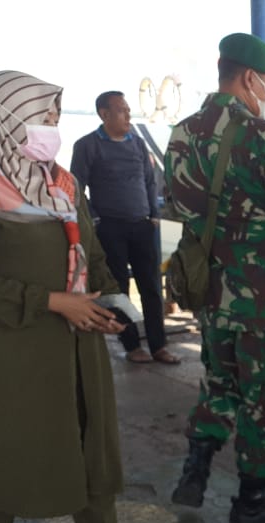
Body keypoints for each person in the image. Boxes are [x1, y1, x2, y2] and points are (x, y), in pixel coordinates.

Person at [0, 71, 159, 523]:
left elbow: (93, 253)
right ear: (7, 123)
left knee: (91, 442)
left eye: (56, 119)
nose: (53, 129)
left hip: (80, 343)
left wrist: (110, 303)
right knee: (8, 444)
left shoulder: (61, 185)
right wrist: (52, 301)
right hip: (18, 347)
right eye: (45, 118)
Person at [165, 33, 265, 523]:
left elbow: (182, 206)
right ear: (250, 78)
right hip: (264, 299)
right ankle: (253, 498)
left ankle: (197, 468)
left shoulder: (182, 134)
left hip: (212, 290)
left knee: (220, 383)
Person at [70, 91, 180, 365]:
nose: (128, 115)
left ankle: (159, 346)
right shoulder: (87, 146)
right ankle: (131, 345)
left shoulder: (138, 145)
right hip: (110, 229)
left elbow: (149, 182)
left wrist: (154, 216)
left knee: (151, 287)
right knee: (118, 290)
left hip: (143, 226)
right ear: (104, 114)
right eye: (121, 111)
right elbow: (76, 188)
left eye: (128, 110)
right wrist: (94, 220)